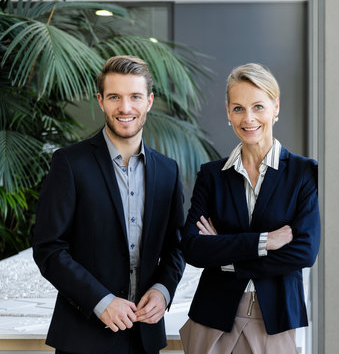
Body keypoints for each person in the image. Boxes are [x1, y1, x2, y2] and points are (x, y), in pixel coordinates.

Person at [32, 55, 185, 354]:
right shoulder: (69, 163)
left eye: (135, 97)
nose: (125, 108)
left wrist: (163, 290)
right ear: (101, 101)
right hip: (82, 338)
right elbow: (49, 248)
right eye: (115, 97)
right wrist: (101, 302)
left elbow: (176, 247)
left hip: (145, 338)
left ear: (149, 101)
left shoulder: (169, 171)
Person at [179, 63, 320, 353]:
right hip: (212, 317)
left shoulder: (305, 173)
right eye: (239, 108)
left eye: (258, 106)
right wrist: (265, 241)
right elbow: (193, 248)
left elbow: (304, 252)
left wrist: (224, 253)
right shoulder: (212, 175)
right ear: (228, 112)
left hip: (276, 317)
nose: (249, 118)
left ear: (275, 107)